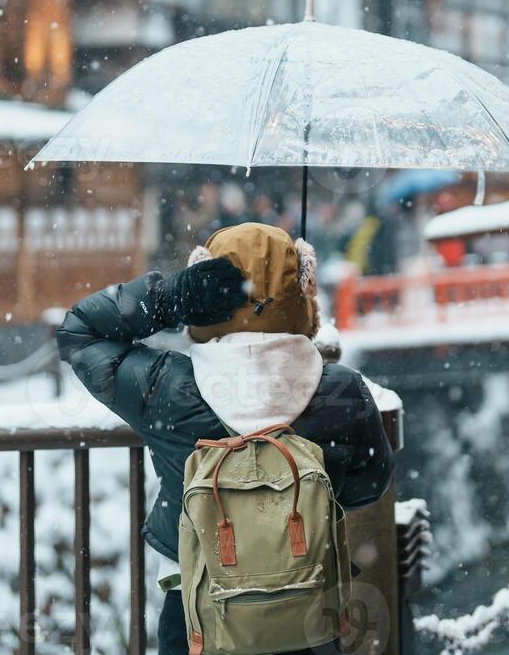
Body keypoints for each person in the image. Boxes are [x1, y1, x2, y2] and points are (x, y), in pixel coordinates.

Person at [57, 222, 395, 655]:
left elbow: (78, 331)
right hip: (306, 603)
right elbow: (371, 482)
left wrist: (167, 300)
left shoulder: (166, 386)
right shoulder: (342, 390)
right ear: (302, 287)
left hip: (198, 606)